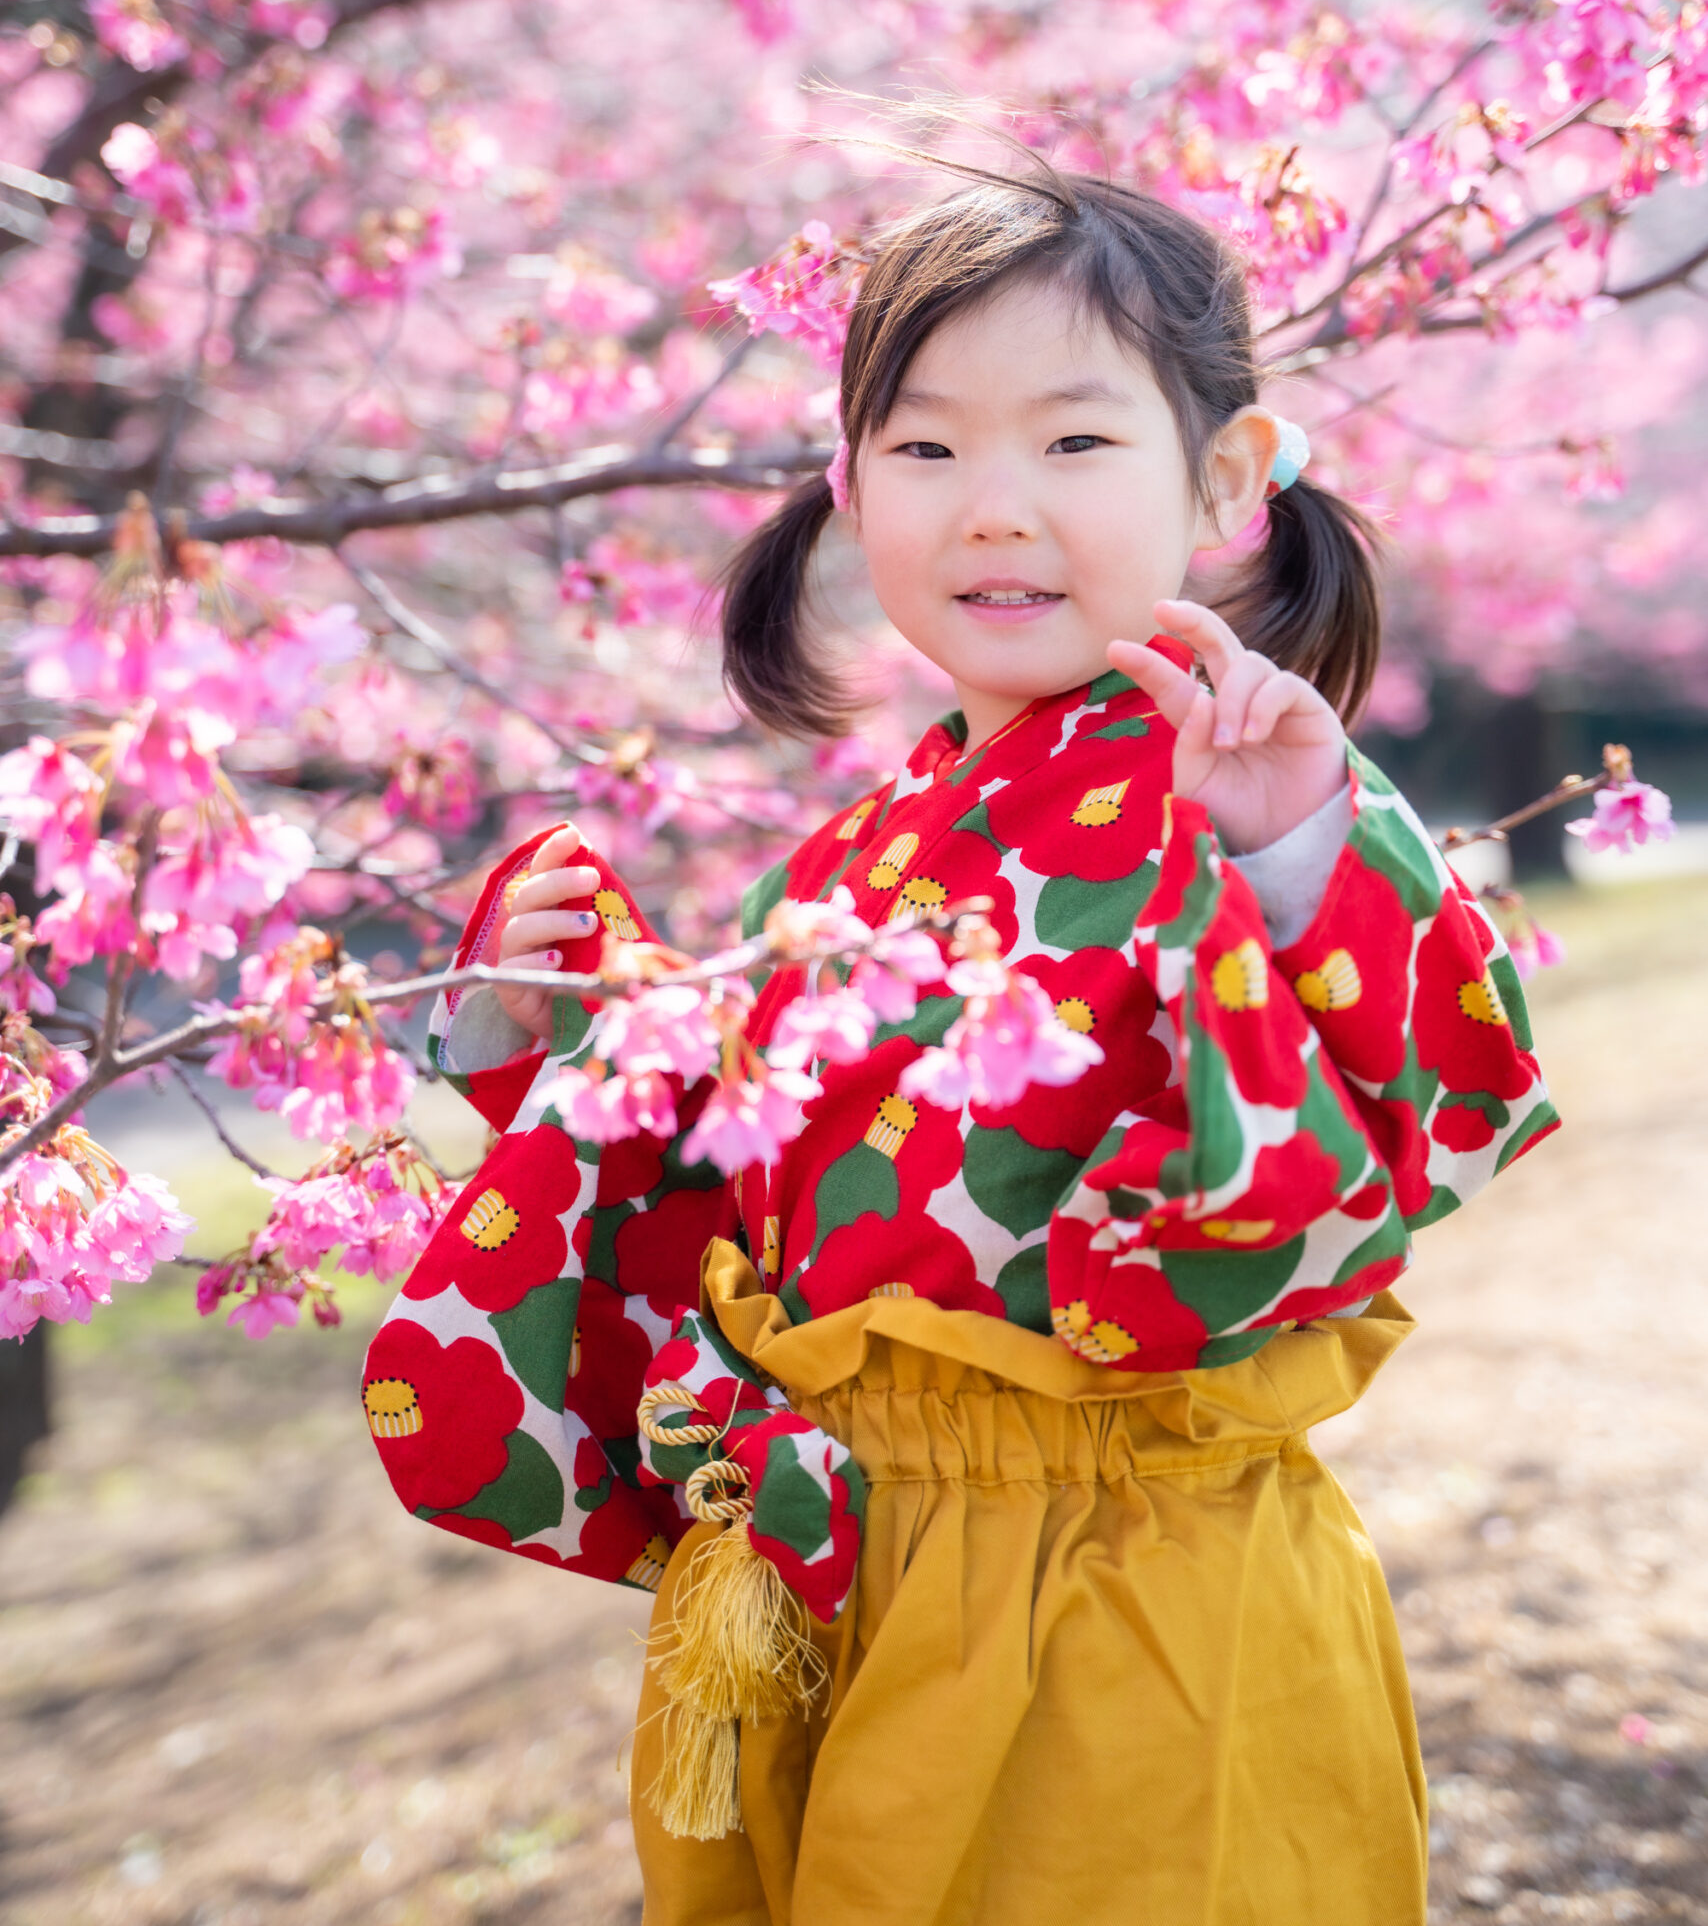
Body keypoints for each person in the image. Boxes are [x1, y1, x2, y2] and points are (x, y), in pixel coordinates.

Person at [363, 166, 1556, 1926]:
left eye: (1075, 445)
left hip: (1127, 1591)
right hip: (854, 1570)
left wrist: (1302, 844)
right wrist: (547, 1040)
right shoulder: (865, 850)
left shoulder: (1239, 787)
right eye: (925, 453)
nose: (995, 511)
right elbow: (741, 1184)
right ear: (850, 489)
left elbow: (1446, 1101)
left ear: (1223, 480)